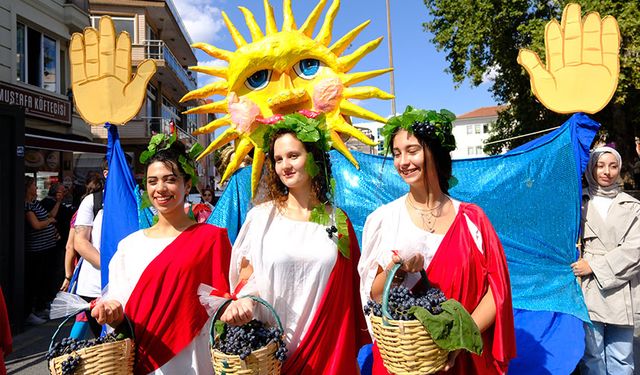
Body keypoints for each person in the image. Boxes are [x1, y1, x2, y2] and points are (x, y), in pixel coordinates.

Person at [358, 107, 516, 375]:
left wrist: (460, 339)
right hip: (405, 361)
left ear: (435, 151)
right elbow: (374, 294)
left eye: (412, 150)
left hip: (463, 361)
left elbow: (497, 291)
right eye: (397, 154)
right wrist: (397, 271)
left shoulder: (472, 220)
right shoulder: (383, 220)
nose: (403, 161)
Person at [220, 113, 370, 374]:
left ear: (313, 158)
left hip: (329, 352)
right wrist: (243, 302)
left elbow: (352, 288)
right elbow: (247, 281)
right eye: (278, 159)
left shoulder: (336, 220)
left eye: (293, 156)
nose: (285, 166)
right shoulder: (261, 218)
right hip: (273, 355)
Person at [91, 136, 231, 374]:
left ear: (187, 185)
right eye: (152, 181)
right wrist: (109, 311)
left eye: (170, 180)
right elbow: (119, 310)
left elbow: (227, 300)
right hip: (143, 361)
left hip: (194, 361)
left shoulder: (212, 239)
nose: (160, 189)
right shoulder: (129, 246)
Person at [572, 146, 640, 375]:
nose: (606, 172)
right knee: (593, 357)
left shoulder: (633, 206)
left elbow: (635, 250)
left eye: (613, 166)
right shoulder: (577, 203)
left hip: (623, 289)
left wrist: (593, 265)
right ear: (590, 168)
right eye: (600, 165)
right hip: (587, 291)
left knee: (622, 357)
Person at [73, 162, 108, 337]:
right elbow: (80, 242)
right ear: (106, 173)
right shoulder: (92, 200)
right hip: (94, 288)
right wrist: (110, 268)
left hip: (129, 287)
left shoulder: (138, 200)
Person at [24, 176, 58, 325]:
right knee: (35, 280)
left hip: (48, 247)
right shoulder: (27, 206)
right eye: (33, 185)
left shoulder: (35, 203)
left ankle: (41, 307)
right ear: (27, 188)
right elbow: (36, 225)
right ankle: (31, 312)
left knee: (45, 279)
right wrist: (49, 222)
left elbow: (51, 215)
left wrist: (58, 202)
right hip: (37, 250)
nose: (36, 188)